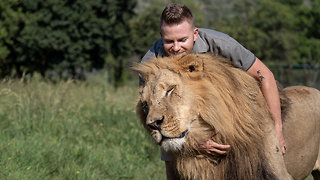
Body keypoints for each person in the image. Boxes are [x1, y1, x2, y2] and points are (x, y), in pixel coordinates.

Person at [141, 3, 287, 179]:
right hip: (180, 124)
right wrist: (195, 145)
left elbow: (265, 76)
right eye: (169, 41)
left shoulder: (220, 44)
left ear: (195, 34)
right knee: (171, 161)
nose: (176, 48)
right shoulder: (150, 62)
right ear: (161, 37)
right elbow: (148, 113)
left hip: (231, 114)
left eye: (182, 40)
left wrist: (277, 127)